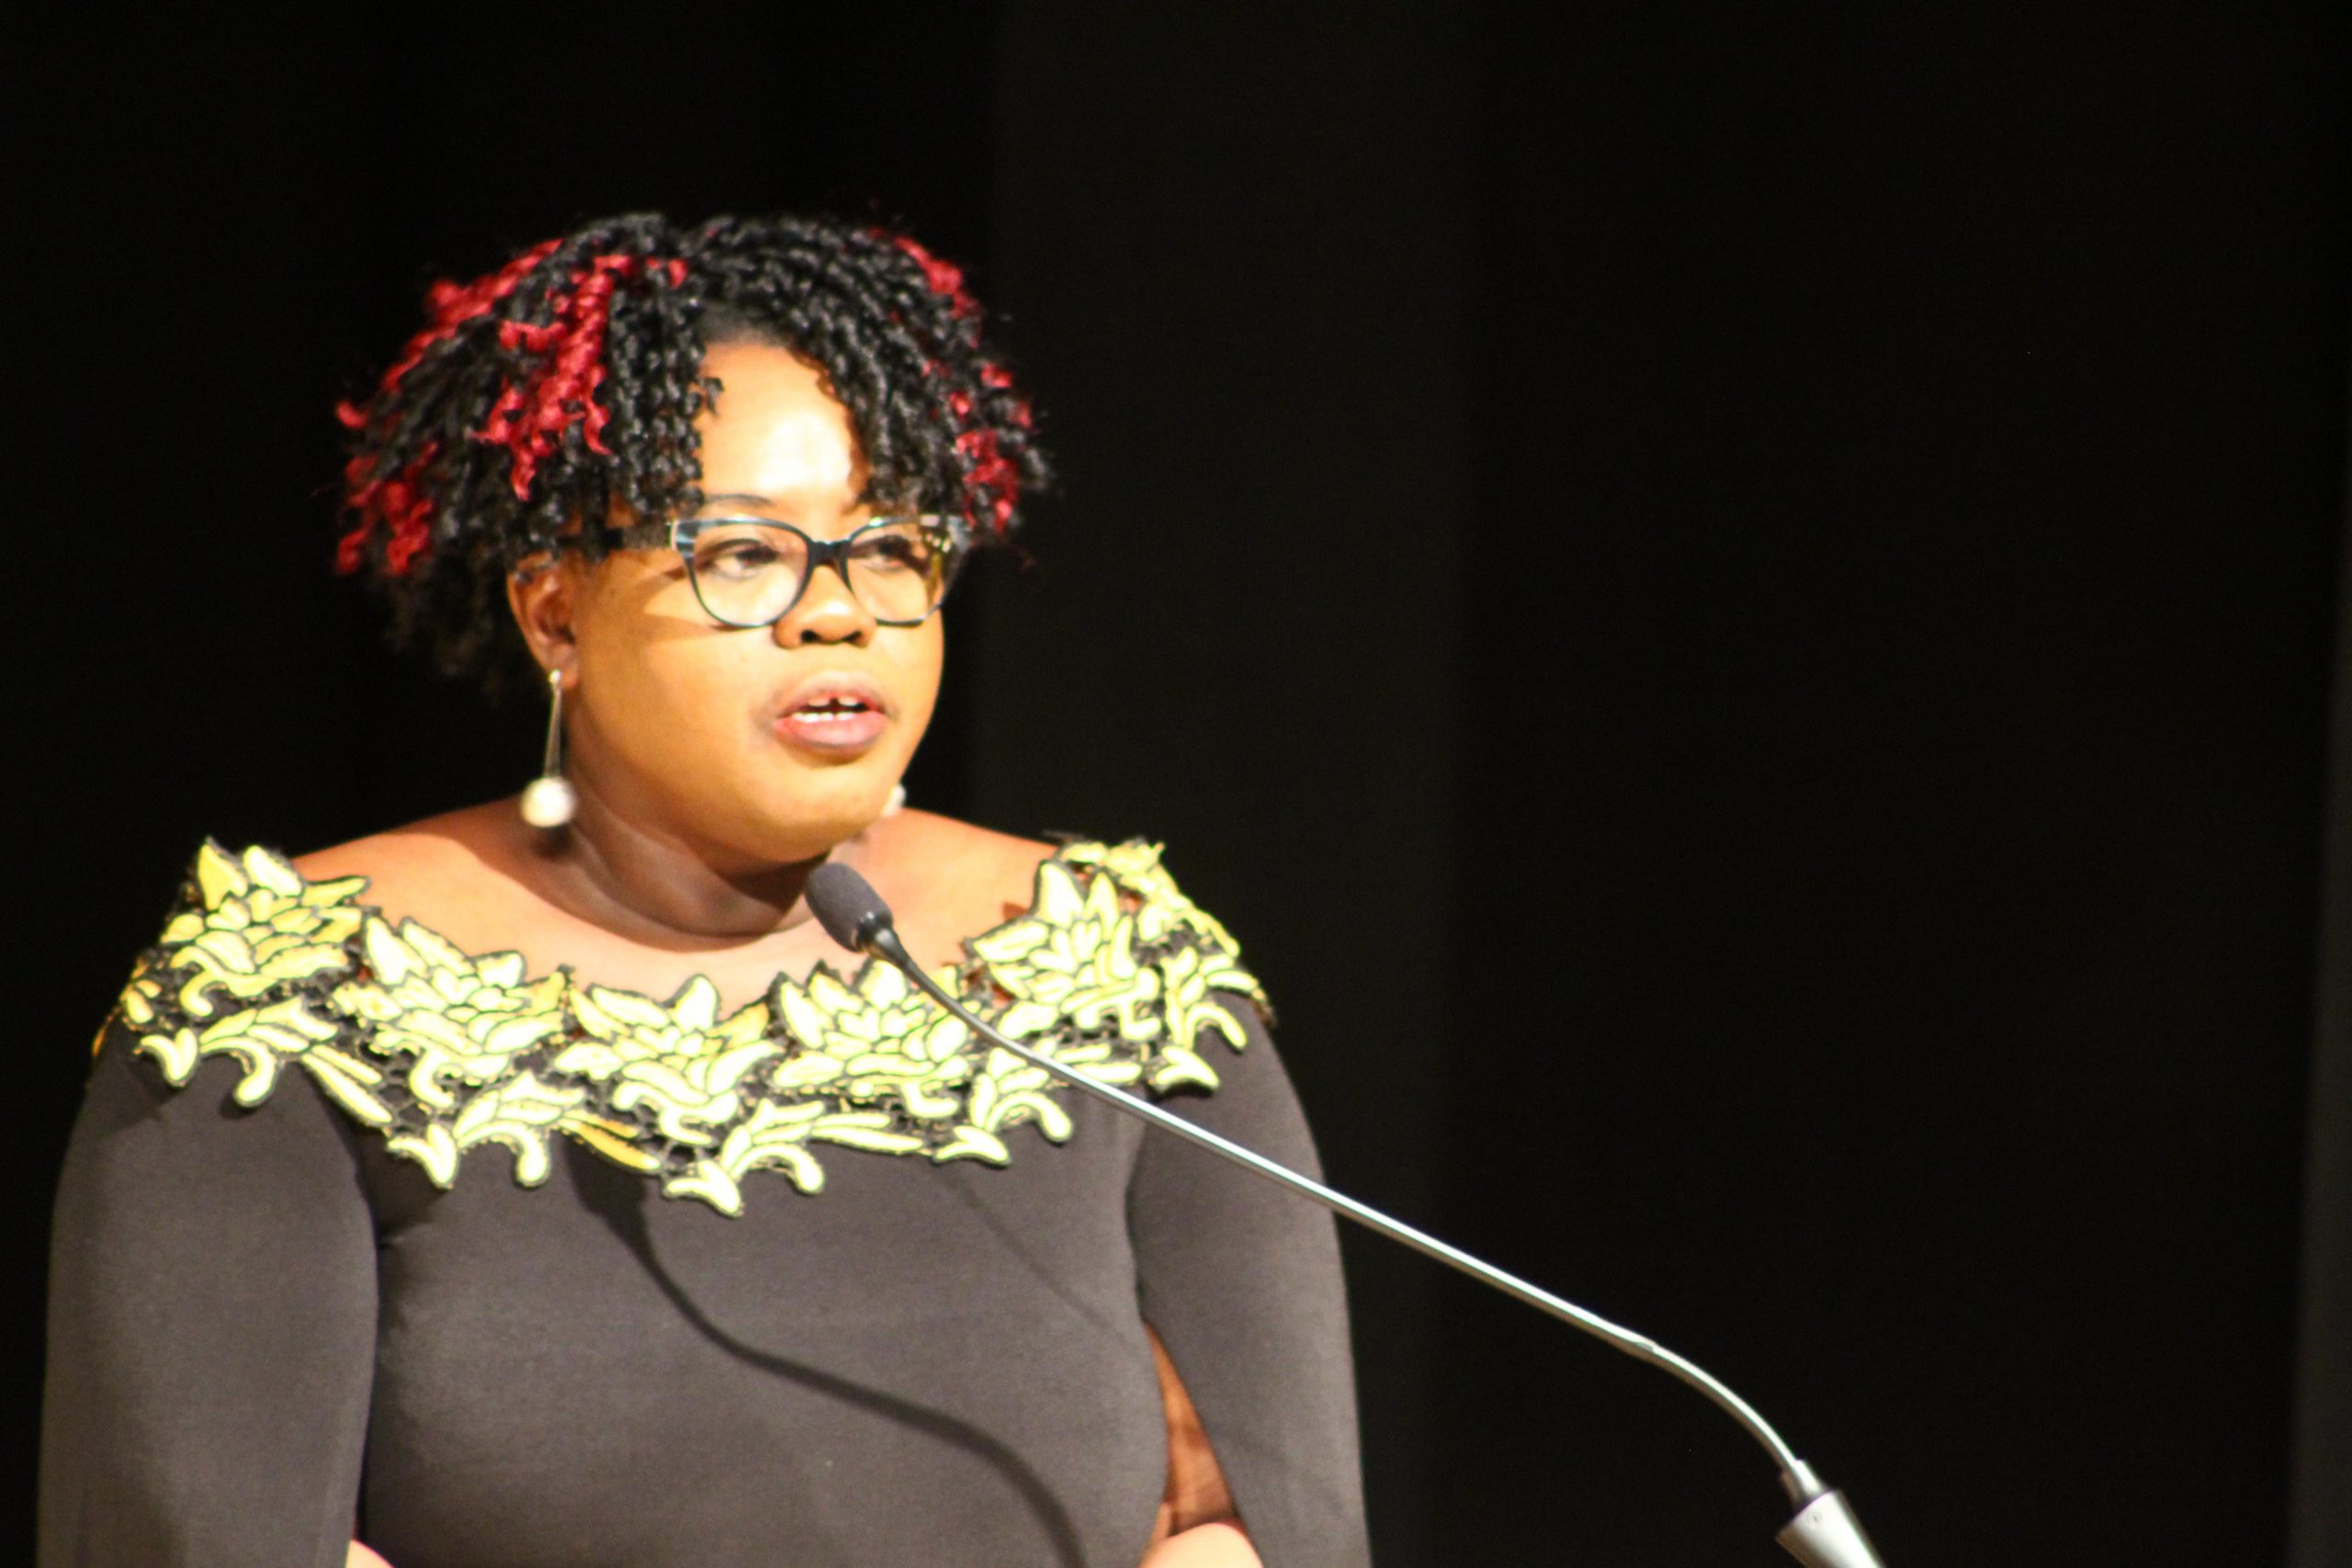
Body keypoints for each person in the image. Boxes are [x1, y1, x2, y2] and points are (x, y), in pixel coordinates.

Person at [40, 212, 1367, 1568]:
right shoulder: (286, 999)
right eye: (743, 553)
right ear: (554, 611)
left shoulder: (1115, 972)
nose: (840, 610)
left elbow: (1247, 1531)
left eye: (894, 547)